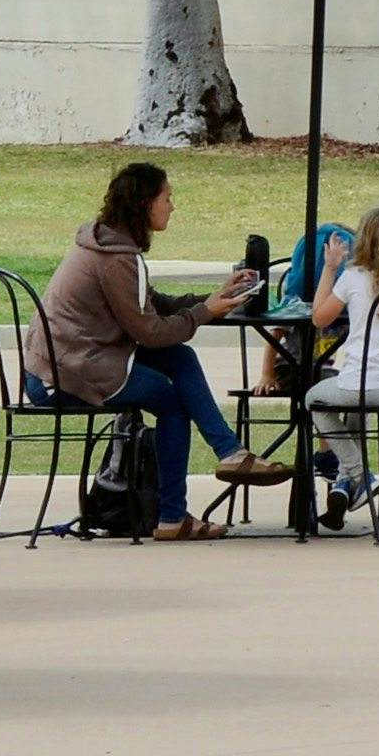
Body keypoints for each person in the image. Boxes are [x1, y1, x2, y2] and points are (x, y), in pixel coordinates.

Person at [37, 160, 284, 538]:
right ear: (143, 204)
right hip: (67, 375)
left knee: (179, 357)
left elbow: (153, 304)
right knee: (171, 402)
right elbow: (150, 331)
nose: (172, 206)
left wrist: (215, 298)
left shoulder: (110, 246)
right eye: (167, 197)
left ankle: (229, 456)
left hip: (74, 362)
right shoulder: (117, 260)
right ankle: (173, 515)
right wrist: (204, 312)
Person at [296, 209, 379, 509]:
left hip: (360, 384)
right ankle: (345, 484)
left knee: (312, 400)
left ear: (363, 241)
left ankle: (361, 476)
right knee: (356, 410)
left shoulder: (354, 277)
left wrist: (330, 268)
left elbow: (319, 318)